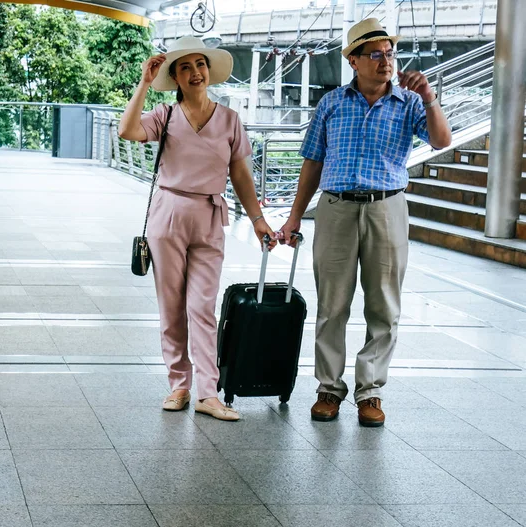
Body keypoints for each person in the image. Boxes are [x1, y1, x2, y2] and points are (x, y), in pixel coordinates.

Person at [278, 18, 451, 427]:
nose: (385, 61)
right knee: (331, 304)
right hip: (336, 208)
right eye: (375, 54)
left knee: (384, 305)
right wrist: (294, 216)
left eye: (389, 53)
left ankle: (370, 392)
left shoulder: (409, 103)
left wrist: (428, 96)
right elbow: (313, 162)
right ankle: (328, 389)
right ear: (353, 60)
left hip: (387, 208)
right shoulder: (332, 103)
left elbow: (442, 140)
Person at [118, 36, 276, 422]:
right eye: (185, 67)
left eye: (200, 65)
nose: (195, 73)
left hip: (210, 214)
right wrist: (143, 82)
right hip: (168, 212)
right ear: (175, 77)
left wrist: (257, 220)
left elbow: (240, 173)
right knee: (172, 307)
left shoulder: (229, 120)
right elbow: (127, 131)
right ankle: (179, 384)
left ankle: (208, 391)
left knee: (202, 306)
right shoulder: (165, 115)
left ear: (209, 71)